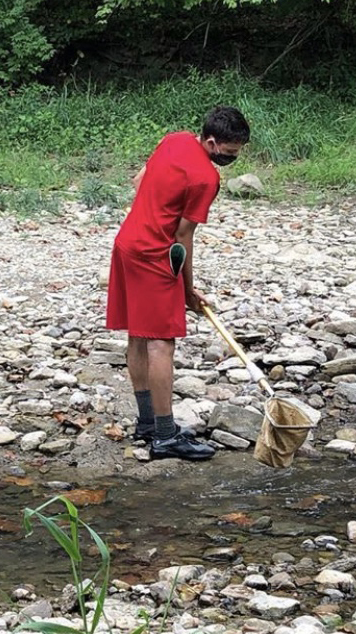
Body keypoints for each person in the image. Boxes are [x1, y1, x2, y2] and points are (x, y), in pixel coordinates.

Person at [107, 106, 251, 461]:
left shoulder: (175, 140)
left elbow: (139, 181)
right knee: (161, 344)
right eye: (229, 153)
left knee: (138, 335)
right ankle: (166, 436)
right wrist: (187, 290)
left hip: (127, 244)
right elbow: (183, 237)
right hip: (155, 256)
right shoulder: (206, 180)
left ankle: (147, 423)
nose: (230, 160)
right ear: (213, 141)